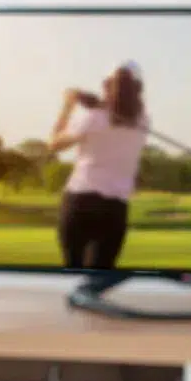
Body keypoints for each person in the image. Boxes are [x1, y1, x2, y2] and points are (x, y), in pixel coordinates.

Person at [47, 61, 149, 270]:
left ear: (106, 86)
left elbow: (54, 144)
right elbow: (120, 111)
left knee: (74, 273)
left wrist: (68, 106)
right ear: (139, 90)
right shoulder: (144, 121)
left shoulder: (92, 117)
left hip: (80, 202)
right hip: (114, 208)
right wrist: (93, 103)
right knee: (100, 276)